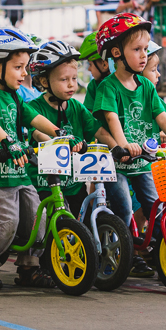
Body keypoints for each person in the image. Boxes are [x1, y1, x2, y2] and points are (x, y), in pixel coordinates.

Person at [0, 28, 62, 289]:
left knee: (38, 218)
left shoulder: (14, 95)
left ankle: (29, 266)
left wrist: (59, 132)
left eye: (26, 67)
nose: (25, 73)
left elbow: (33, 118)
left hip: (18, 172)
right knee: (8, 221)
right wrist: (7, 141)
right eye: (19, 67)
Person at [92, 14, 166, 248]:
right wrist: (124, 143)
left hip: (143, 161)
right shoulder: (108, 86)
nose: (144, 55)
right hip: (117, 164)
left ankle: (160, 250)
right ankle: (121, 253)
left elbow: (162, 116)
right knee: (124, 207)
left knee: (156, 205)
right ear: (117, 53)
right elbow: (111, 116)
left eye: (145, 49)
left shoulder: (146, 86)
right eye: (137, 49)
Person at [26, 41, 113, 218]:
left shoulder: (75, 106)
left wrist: (118, 146)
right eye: (64, 80)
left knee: (84, 222)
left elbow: (99, 131)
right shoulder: (35, 107)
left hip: (74, 183)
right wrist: (59, 143)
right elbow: (38, 133)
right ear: (44, 81)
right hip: (44, 184)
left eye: (74, 78)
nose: (71, 84)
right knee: (50, 228)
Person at [78, 31, 110, 111]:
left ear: (104, 64)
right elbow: (89, 115)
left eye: (90, 64)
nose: (89, 69)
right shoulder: (94, 86)